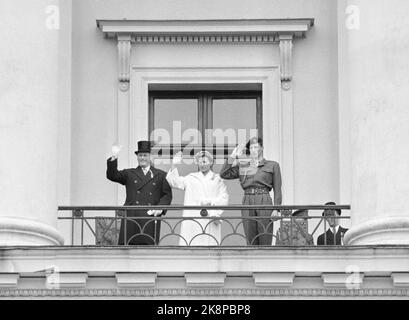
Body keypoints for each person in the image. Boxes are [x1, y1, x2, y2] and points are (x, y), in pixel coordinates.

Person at [106, 141, 172, 245]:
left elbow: (167, 194)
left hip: (150, 217)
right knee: (127, 249)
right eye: (140, 155)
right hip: (131, 217)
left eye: (145, 155)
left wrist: (160, 208)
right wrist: (114, 157)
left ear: (150, 157)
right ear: (137, 157)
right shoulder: (129, 173)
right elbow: (112, 175)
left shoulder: (161, 175)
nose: (142, 158)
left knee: (148, 250)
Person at [220, 137, 282, 245]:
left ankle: (265, 260)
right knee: (250, 237)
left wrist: (276, 208)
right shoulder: (243, 166)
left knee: (265, 235)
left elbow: (278, 189)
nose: (254, 150)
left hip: (264, 199)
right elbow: (224, 173)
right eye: (251, 147)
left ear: (262, 148)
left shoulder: (273, 165)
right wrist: (232, 156)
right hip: (247, 200)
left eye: (256, 147)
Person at [166, 150, 229, 246]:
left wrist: (210, 203)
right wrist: (174, 164)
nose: (202, 165)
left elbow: (224, 197)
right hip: (193, 220)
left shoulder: (217, 179)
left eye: (204, 162)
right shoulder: (191, 178)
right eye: (199, 162)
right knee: (192, 244)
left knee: (210, 247)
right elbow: (174, 182)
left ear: (211, 162)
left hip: (210, 218)